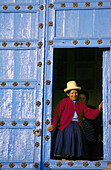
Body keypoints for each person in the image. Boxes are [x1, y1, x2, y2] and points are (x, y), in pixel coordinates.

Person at [47, 81, 102, 160]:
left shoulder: (80, 104)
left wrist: (98, 109)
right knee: (66, 150)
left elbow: (90, 113)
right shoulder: (64, 102)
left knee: (76, 151)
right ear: (68, 94)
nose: (74, 95)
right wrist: (53, 124)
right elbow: (57, 113)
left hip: (77, 127)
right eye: (72, 93)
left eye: (76, 93)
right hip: (66, 127)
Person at [79, 90, 103, 160]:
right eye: (80, 98)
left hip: (90, 138)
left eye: (83, 98)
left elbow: (97, 123)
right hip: (79, 138)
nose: (81, 100)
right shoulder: (74, 109)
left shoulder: (91, 109)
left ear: (86, 100)